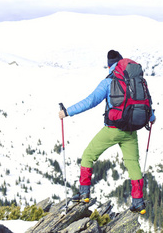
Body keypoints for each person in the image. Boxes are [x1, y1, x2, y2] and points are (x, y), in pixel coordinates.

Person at [59, 50, 156, 214]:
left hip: (112, 129)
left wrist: (67, 112)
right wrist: (151, 117)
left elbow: (91, 101)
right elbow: (146, 102)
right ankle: (138, 202)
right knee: (133, 163)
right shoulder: (137, 80)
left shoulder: (109, 81)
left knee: (89, 155)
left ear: (109, 65)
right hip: (131, 130)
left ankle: (84, 194)